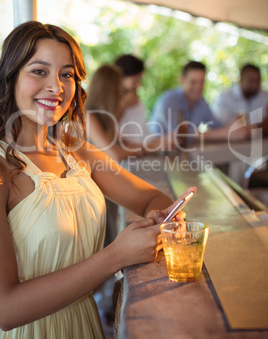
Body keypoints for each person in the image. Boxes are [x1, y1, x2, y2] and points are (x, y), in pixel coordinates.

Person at [0, 21, 192, 339]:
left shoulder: (78, 153)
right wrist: (116, 255)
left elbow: (150, 199)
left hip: (86, 327)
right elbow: (6, 311)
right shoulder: (4, 168)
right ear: (11, 77)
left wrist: (164, 218)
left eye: (67, 74)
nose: (56, 87)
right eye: (39, 71)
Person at [149, 61, 251, 143]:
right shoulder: (169, 100)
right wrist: (225, 133)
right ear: (182, 80)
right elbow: (181, 136)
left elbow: (217, 126)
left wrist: (234, 127)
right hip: (156, 157)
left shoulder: (201, 102)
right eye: (193, 82)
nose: (198, 87)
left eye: (201, 82)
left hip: (182, 155)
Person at [115, 54, 176, 151]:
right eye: (135, 81)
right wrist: (123, 106)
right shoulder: (109, 104)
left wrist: (163, 141)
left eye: (139, 81)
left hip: (142, 156)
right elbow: (113, 138)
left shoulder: (136, 102)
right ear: (120, 78)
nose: (138, 85)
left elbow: (144, 137)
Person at [84, 63, 142, 163]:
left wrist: (134, 148)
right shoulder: (88, 117)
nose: (121, 95)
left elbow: (122, 143)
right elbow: (115, 154)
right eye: (119, 91)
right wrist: (136, 151)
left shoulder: (104, 118)